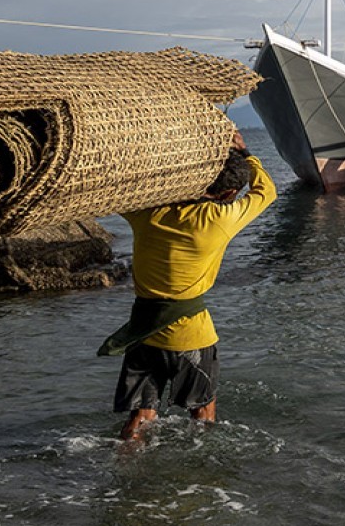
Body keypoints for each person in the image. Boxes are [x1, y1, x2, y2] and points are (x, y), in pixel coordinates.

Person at [98, 130, 276, 441]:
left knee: (140, 417)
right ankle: (198, 475)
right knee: (203, 415)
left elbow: (114, 190)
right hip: (191, 335)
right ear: (227, 194)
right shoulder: (218, 218)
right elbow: (267, 192)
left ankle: (125, 475)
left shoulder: (148, 213)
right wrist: (246, 153)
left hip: (143, 333)